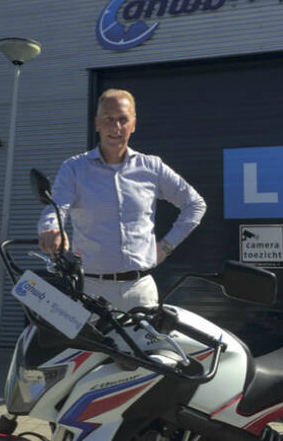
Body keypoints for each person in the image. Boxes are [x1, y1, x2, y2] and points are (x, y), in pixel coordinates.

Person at [38, 88, 206, 312]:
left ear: (133, 124)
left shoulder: (151, 167)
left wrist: (166, 246)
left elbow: (195, 204)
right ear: (97, 123)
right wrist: (52, 229)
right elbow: (56, 207)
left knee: (149, 338)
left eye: (122, 119)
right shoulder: (74, 169)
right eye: (108, 119)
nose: (115, 127)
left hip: (141, 290)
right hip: (91, 290)